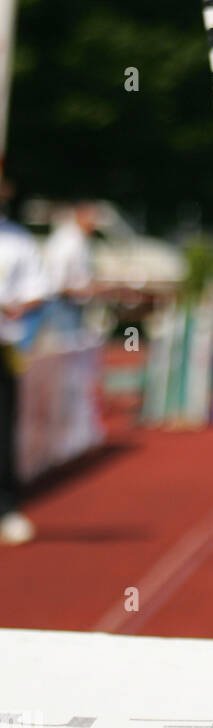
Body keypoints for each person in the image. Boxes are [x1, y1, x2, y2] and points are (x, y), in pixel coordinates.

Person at [0, 197, 50, 545]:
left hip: (3, 347)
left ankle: (5, 508)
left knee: (3, 429)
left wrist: (18, 306)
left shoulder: (18, 240)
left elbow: (38, 292)